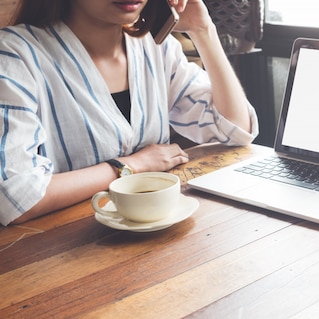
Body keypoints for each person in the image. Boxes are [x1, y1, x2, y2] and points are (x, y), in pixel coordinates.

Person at [0, 0, 258, 226]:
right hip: (58, 256)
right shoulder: (14, 56)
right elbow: (15, 197)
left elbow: (235, 129)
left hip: (159, 239)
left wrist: (203, 30)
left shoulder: (157, 48)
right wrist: (132, 166)